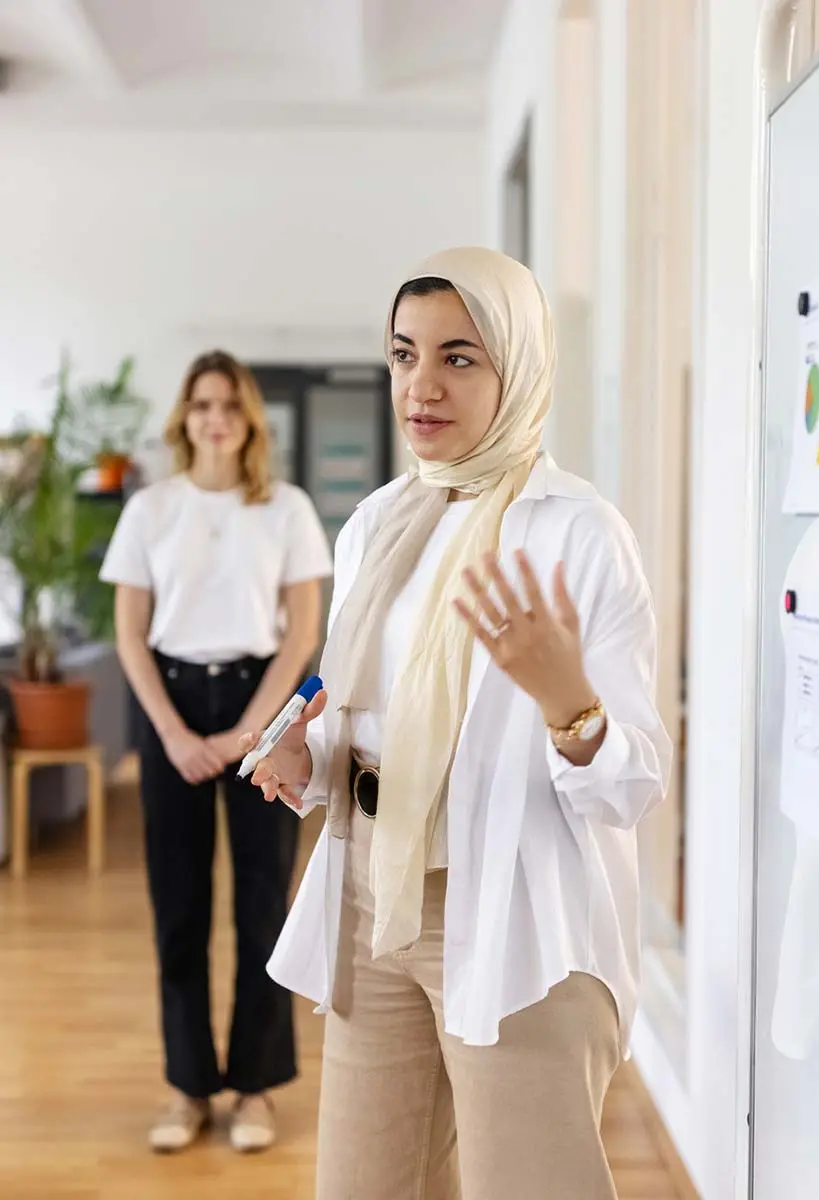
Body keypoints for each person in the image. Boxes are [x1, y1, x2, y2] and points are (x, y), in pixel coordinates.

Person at [242, 247, 672, 1200]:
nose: (420, 386)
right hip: (371, 894)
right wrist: (303, 756)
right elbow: (360, 712)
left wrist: (571, 704)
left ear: (514, 365)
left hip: (511, 899)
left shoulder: (577, 533)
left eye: (459, 357)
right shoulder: (379, 524)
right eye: (404, 356)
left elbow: (635, 783)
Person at [101, 350, 333, 1154]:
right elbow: (130, 633)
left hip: (258, 703)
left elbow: (303, 633)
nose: (216, 419)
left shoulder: (288, 509)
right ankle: (188, 1086)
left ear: (249, 421)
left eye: (230, 406)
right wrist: (170, 733)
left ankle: (256, 1088)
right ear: (184, 419)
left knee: (264, 904)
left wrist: (255, 733)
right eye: (202, 405)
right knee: (180, 910)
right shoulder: (151, 510)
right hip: (170, 705)